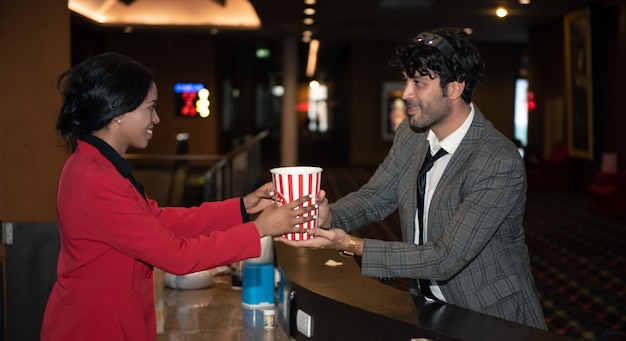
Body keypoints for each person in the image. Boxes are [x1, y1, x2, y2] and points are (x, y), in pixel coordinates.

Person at [278, 27, 547, 330]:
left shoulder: (497, 160)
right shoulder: (411, 134)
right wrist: (330, 216)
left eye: (418, 82)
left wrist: (350, 244)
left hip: (492, 317)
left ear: (455, 87)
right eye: (408, 80)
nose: (406, 93)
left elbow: (445, 258)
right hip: (429, 307)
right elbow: (376, 197)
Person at [41, 52, 315, 341]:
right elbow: (177, 256)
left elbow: (157, 220)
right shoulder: (96, 178)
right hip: (95, 326)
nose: (156, 118)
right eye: (150, 108)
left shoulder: (97, 164)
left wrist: (242, 207)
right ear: (117, 110)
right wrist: (260, 229)